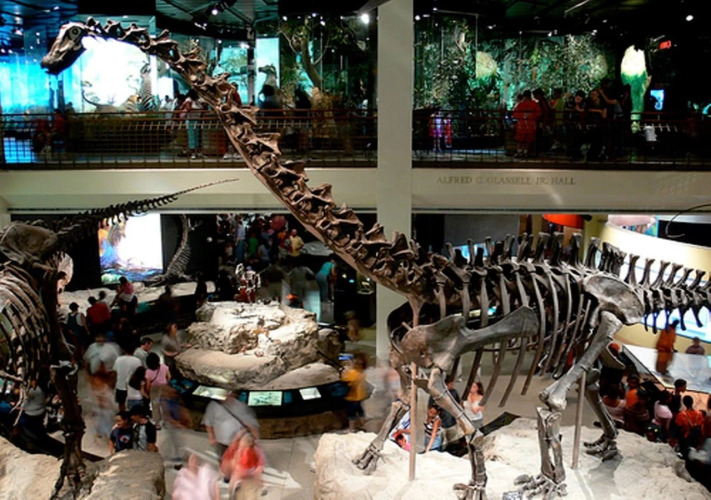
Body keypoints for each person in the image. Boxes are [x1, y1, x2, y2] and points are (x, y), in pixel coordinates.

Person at [203, 394, 259, 460]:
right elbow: (208, 422)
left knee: (240, 462)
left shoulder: (241, 406)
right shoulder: (213, 405)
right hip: (222, 444)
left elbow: (252, 424)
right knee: (224, 461)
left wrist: (255, 440)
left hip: (240, 444)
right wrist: (211, 437)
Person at [341, 352, 368, 433]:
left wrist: (344, 372)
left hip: (352, 396)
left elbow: (345, 380)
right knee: (360, 411)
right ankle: (363, 425)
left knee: (351, 413)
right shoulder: (361, 371)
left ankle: (351, 429)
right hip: (360, 396)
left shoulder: (352, 373)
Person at [512, 90, 541, 158]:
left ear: (524, 96)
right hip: (531, 125)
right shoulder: (535, 104)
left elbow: (515, 115)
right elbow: (539, 113)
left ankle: (519, 152)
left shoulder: (520, 104)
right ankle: (526, 152)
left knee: (520, 140)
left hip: (521, 125)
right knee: (528, 140)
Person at [114, 345, 142, 412]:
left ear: (124, 350)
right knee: (133, 406)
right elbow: (139, 373)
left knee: (121, 403)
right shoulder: (137, 361)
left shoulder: (118, 359)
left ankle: (122, 415)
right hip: (132, 387)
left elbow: (115, 371)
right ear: (134, 351)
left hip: (120, 385)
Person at [146, 352, 171, 426]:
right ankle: (167, 421)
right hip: (164, 387)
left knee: (155, 406)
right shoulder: (164, 367)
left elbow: (148, 384)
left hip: (154, 389)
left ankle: (157, 423)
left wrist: (148, 392)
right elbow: (169, 377)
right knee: (165, 404)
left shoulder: (148, 372)